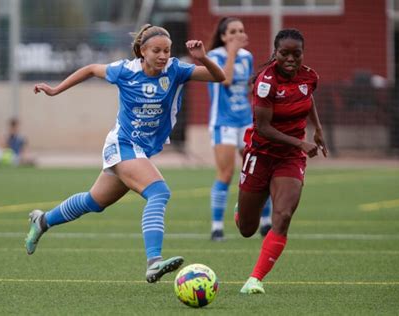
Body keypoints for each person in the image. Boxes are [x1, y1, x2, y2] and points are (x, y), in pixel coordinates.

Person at [25, 24, 225, 283]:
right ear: (143, 51)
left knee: (93, 202)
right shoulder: (125, 70)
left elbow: (218, 77)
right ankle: (153, 262)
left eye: (167, 50)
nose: (163, 55)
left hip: (141, 150)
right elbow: (90, 69)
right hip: (122, 144)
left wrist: (203, 59)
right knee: (159, 192)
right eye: (156, 50)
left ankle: (42, 221)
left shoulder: (175, 70)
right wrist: (54, 90)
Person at [236, 29, 328, 294]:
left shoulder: (310, 76)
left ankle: (254, 279)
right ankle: (242, 209)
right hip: (260, 155)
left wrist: (318, 128)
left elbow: (306, 97)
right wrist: (301, 141)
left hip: (289, 158)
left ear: (302, 54)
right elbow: (263, 127)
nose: (290, 59)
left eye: (296, 54)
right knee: (246, 228)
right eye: (284, 53)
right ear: (275, 53)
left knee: (283, 215)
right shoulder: (265, 82)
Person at [206, 17, 272, 241]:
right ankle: (217, 227)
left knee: (259, 170)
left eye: (241, 30)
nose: (238, 35)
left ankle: (266, 222)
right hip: (223, 122)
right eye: (232, 31)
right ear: (223, 36)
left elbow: (247, 87)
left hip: (245, 120)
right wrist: (232, 52)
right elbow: (225, 80)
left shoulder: (248, 57)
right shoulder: (214, 56)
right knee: (225, 173)